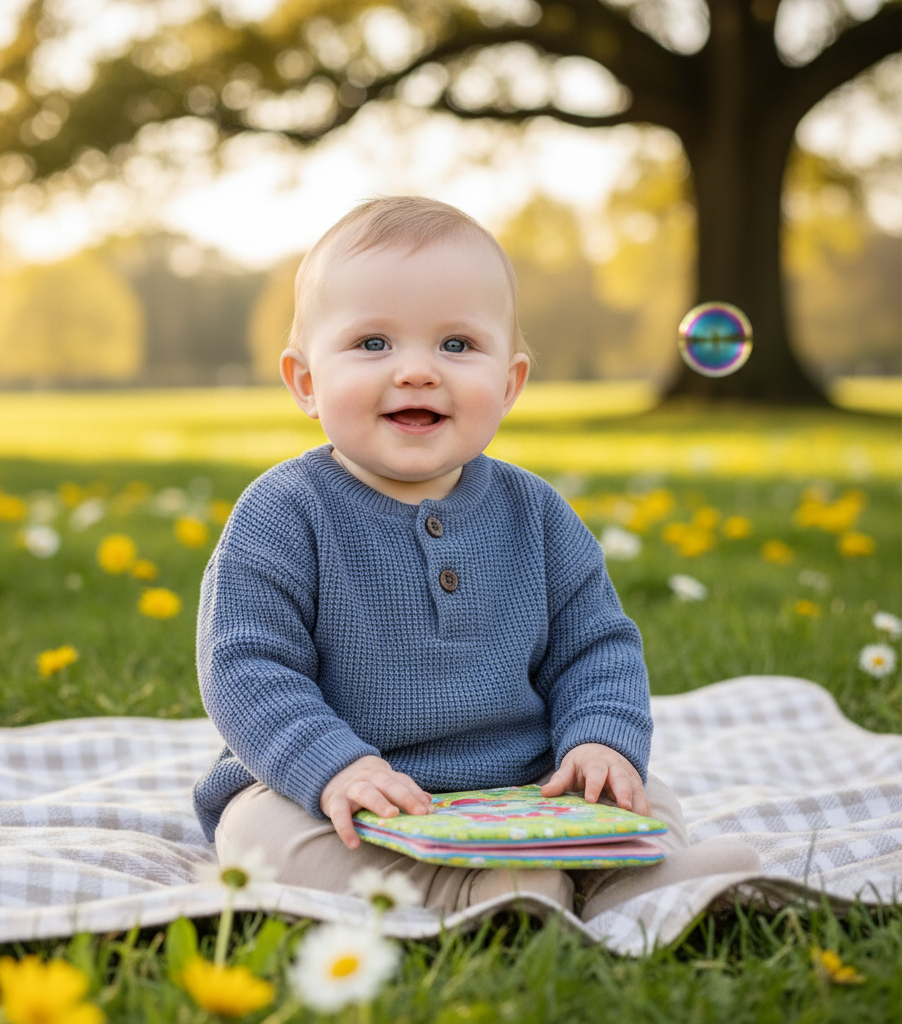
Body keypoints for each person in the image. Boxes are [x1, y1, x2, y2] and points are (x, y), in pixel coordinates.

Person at [193, 196, 759, 918]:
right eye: (373, 344)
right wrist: (334, 768)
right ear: (306, 381)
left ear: (510, 383)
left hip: (525, 786)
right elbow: (246, 667)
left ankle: (623, 877)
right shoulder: (283, 513)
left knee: (642, 790)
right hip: (345, 795)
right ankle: (468, 891)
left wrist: (598, 742)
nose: (419, 372)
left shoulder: (538, 515)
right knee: (256, 830)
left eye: (457, 346)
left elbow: (596, 647)